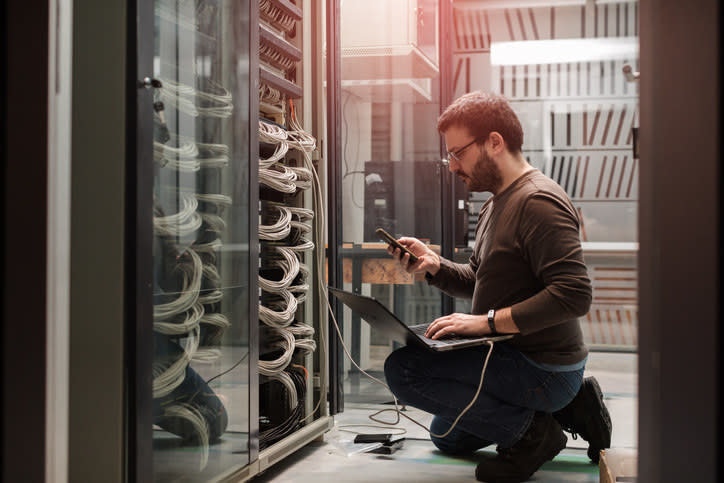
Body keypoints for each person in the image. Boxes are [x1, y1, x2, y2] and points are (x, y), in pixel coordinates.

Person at [382, 91, 611, 482]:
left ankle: (535, 433)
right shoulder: (494, 203)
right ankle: (570, 408)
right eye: (449, 155)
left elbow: (574, 294)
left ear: (494, 141)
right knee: (445, 436)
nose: (452, 167)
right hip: (512, 353)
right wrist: (434, 266)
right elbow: (479, 278)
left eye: (458, 153)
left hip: (542, 366)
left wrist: (485, 323)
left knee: (405, 371)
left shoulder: (538, 201)